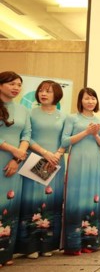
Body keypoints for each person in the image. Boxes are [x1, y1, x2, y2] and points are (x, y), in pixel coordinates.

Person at [16, 80, 66, 259]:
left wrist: (57, 154)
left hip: (55, 162)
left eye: (49, 91)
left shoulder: (63, 116)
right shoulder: (30, 113)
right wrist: (46, 154)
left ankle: (47, 244)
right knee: (33, 201)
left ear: (57, 95)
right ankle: (30, 245)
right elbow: (27, 137)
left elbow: (65, 140)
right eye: (42, 91)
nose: (44, 94)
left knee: (52, 200)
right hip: (35, 160)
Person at [61, 87, 100, 255]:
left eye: (93, 98)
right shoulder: (72, 118)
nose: (90, 101)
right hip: (77, 161)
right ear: (80, 100)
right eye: (87, 98)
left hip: (94, 161)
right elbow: (65, 140)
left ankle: (91, 241)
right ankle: (73, 244)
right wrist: (86, 132)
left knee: (92, 198)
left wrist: (95, 135)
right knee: (75, 198)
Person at [0, 71, 30, 268]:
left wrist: (17, 157)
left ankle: (5, 252)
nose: (16, 87)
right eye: (11, 83)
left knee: (9, 205)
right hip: (6, 155)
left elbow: (26, 134)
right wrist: (13, 151)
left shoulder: (22, 109)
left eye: (19, 84)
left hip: (15, 162)